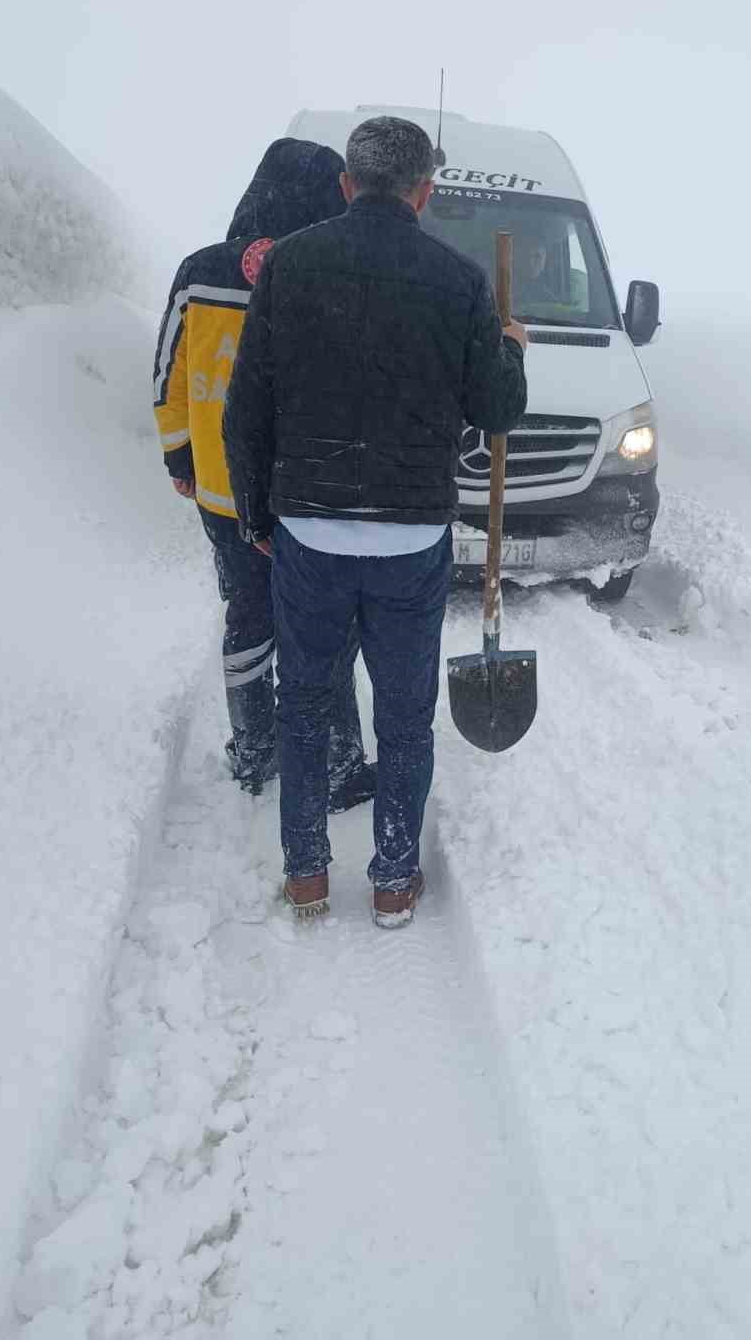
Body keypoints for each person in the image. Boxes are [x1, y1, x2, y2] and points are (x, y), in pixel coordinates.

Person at [225, 115, 528, 926]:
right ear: (425, 191)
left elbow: (245, 407)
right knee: (403, 715)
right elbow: (498, 408)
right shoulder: (460, 280)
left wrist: (258, 514)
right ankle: (393, 878)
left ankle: (307, 877)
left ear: (345, 183)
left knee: (303, 705)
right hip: (410, 541)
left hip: (310, 533)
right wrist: (510, 348)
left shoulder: (291, 265)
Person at [153, 139, 374, 809]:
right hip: (308, 494)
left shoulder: (199, 272)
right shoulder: (335, 270)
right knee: (326, 623)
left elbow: (170, 372)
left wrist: (180, 456)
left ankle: (254, 750)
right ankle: (339, 765)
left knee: (247, 613)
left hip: (223, 493)